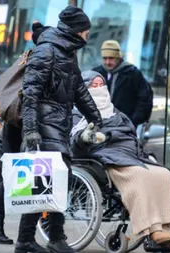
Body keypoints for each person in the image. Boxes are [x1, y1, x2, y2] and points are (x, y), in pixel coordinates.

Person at [17, 6, 103, 253]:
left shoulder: (66, 53)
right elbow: (30, 95)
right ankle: (39, 239)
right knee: (45, 186)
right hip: (44, 130)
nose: (87, 36)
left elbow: (78, 90)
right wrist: (31, 130)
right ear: (76, 31)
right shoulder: (46, 52)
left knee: (53, 186)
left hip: (58, 127)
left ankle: (50, 238)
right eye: (86, 31)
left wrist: (95, 117)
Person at [70, 70, 170, 248]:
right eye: (94, 85)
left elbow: (130, 134)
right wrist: (84, 137)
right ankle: (153, 231)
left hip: (130, 154)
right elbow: (74, 141)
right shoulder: (78, 114)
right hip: (106, 158)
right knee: (138, 175)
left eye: (102, 85)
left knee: (163, 174)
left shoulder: (115, 113)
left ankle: (165, 230)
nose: (100, 88)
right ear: (84, 89)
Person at [0, 21, 50, 246]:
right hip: (22, 123)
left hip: (14, 121)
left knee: (12, 174)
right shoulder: (40, 59)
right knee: (26, 175)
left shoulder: (25, 56)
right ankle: (16, 231)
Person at [92, 40, 153, 127]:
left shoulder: (132, 73)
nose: (107, 62)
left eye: (111, 58)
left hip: (124, 126)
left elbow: (144, 100)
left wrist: (132, 122)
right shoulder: (97, 73)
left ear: (118, 58)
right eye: (105, 58)